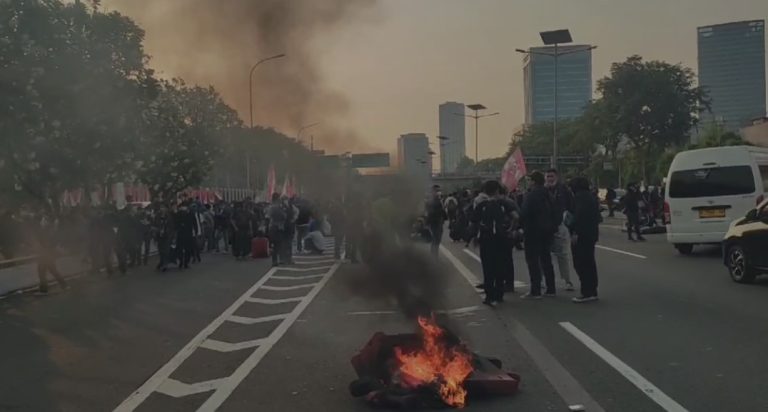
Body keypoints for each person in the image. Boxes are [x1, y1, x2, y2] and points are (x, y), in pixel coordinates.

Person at [471, 180, 519, 306]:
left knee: (488, 268)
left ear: (485, 191)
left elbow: (474, 220)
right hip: (501, 239)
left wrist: (475, 236)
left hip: (486, 240)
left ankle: (489, 296)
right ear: (497, 190)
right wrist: (510, 229)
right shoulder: (504, 203)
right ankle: (499, 294)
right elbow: (516, 216)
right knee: (500, 266)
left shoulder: (481, 204)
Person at [520, 171, 558, 299]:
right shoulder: (549, 194)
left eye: (529, 180)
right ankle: (551, 288)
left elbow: (524, 213)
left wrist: (519, 227)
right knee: (546, 259)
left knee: (533, 261)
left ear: (533, 181)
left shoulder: (531, 195)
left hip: (532, 231)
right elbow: (556, 212)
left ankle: (535, 290)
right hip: (547, 231)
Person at [568, 177, 601, 303]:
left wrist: (575, 231)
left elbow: (579, 216)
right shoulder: (590, 197)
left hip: (581, 235)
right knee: (589, 263)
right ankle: (592, 291)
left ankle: (586, 291)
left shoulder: (580, 197)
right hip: (591, 234)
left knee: (581, 263)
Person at [545, 169, 575, 292]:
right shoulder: (543, 190)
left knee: (562, 255)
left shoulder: (564, 190)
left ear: (557, 177)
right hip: (545, 227)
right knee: (544, 255)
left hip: (560, 226)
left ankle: (567, 280)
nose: (549, 179)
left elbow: (572, 207)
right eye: (547, 177)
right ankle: (542, 281)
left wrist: (570, 227)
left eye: (551, 176)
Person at [34, 212, 69, 296]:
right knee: (52, 270)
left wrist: (42, 248)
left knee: (42, 270)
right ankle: (64, 285)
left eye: (44, 219)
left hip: (46, 253)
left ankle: (44, 289)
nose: (42, 221)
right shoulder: (50, 230)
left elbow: (46, 243)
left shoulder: (47, 230)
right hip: (48, 253)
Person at [425, 185, 448, 258]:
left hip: (438, 222)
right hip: (435, 222)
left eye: (439, 190)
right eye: (437, 191)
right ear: (433, 192)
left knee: (437, 240)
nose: (439, 192)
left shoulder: (438, 200)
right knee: (435, 239)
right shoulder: (432, 201)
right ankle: (434, 256)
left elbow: (441, 211)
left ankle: (434, 255)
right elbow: (430, 212)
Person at [267, 193, 288, 266]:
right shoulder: (279, 208)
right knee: (279, 244)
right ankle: (280, 259)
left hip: (273, 228)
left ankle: (275, 261)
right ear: (277, 199)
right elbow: (285, 216)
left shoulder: (271, 207)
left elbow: (267, 217)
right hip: (278, 228)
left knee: (275, 245)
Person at [175, 203, 198, 269]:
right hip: (182, 233)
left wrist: (196, 231)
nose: (183, 208)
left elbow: (194, 223)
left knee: (187, 249)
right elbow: (176, 222)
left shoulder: (191, 214)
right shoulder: (179, 214)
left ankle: (186, 262)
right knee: (180, 249)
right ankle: (182, 261)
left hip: (188, 234)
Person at [154, 205, 174, 272]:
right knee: (161, 250)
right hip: (159, 236)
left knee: (166, 250)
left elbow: (171, 227)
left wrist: (170, 235)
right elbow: (155, 225)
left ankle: (165, 264)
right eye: (161, 207)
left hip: (167, 236)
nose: (162, 209)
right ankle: (162, 262)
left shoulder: (169, 217)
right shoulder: (157, 217)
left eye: (163, 207)